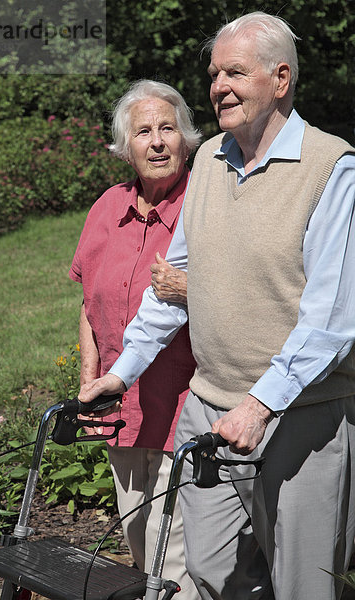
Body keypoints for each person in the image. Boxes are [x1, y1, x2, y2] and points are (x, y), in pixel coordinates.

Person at [78, 12, 355, 600]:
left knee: (305, 585)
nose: (218, 86)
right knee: (209, 571)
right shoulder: (208, 162)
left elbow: (333, 321)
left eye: (235, 72)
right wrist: (120, 373)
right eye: (213, 74)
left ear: (280, 79)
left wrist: (259, 405)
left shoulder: (332, 169)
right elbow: (173, 283)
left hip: (298, 414)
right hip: (208, 408)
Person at [69, 80, 201, 599]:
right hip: (122, 411)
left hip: (188, 409)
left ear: (186, 139)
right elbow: (88, 302)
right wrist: (90, 378)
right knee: (140, 540)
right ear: (126, 148)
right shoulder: (107, 207)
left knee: (180, 558)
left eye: (168, 128)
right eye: (143, 131)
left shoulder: (204, 206)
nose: (157, 141)